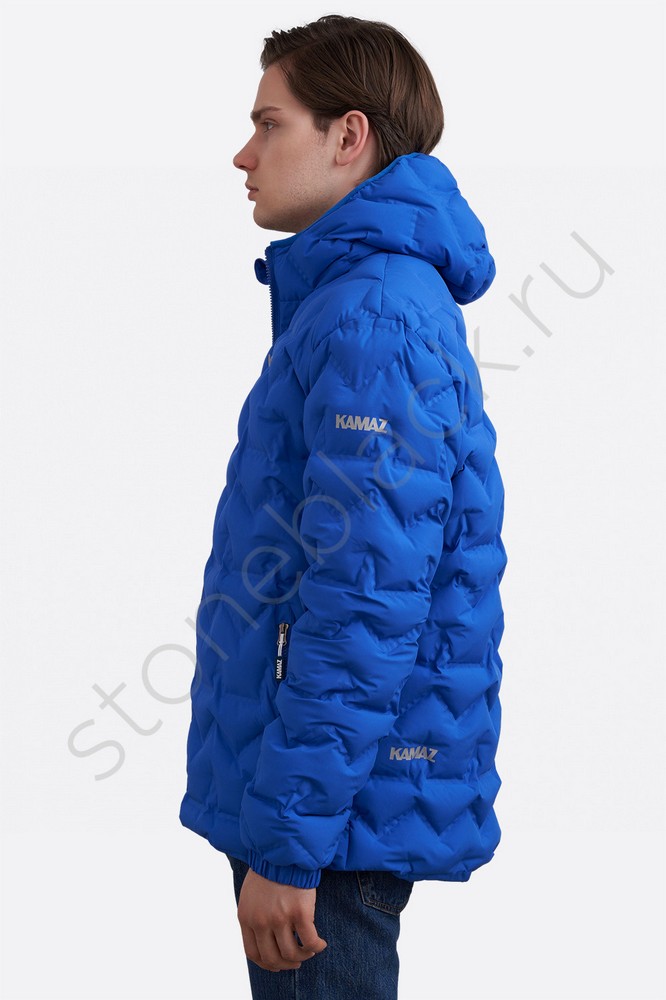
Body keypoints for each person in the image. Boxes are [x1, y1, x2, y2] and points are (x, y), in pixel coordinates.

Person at [179, 13, 508, 999]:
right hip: (328, 805)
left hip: (328, 825)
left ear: (348, 136)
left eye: (268, 123)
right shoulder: (357, 300)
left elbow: (365, 600)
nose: (243, 155)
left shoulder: (376, 314)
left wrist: (289, 841)